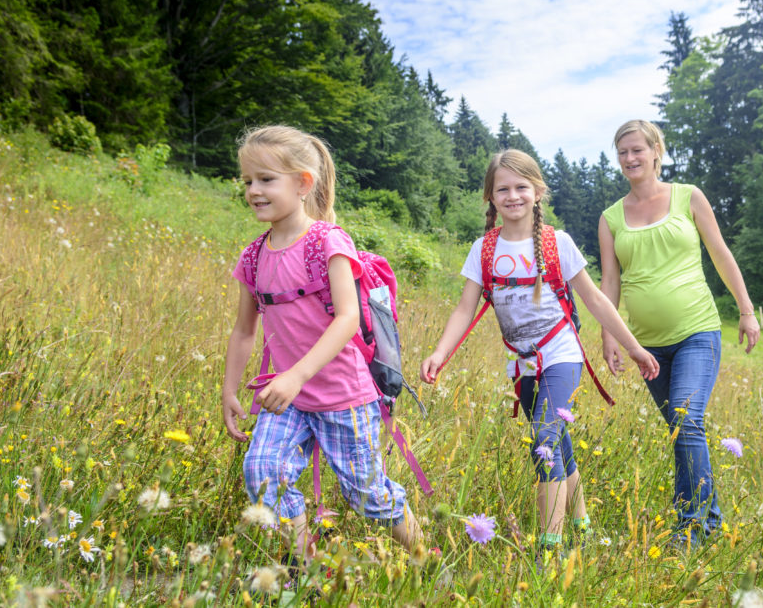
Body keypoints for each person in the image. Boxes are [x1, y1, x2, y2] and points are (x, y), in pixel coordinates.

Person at [420, 149, 659, 558]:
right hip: (521, 363)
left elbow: (596, 299)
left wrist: (633, 347)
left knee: (544, 441)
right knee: (558, 442)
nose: (513, 196)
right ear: (490, 197)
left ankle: (551, 549)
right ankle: (581, 525)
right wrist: (440, 352)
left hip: (561, 352)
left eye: (521, 187)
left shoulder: (557, 243)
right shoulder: (483, 249)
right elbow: (464, 308)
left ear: (538, 192)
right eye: (503, 189)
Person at [222, 125, 424, 566]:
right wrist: (229, 389)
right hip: (288, 399)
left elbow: (348, 318)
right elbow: (244, 330)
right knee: (262, 472)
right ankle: (304, 568)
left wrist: (296, 375)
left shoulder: (327, 242)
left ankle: (427, 559)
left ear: (303, 183)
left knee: (367, 495)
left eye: (266, 179)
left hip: (343, 396)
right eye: (248, 180)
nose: (253, 190)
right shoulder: (253, 257)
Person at [598, 120, 760, 548]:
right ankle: (711, 522)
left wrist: (746, 311)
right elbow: (610, 282)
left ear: (657, 150)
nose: (630, 158)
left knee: (687, 422)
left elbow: (721, 254)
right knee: (680, 430)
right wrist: (610, 335)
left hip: (696, 330)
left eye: (637, 149)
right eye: (622, 152)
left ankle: (690, 529)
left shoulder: (689, 197)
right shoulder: (611, 218)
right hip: (646, 344)